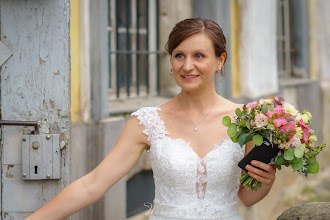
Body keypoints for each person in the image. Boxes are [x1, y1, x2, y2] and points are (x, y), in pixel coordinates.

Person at [26, 18, 276, 220]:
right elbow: (93, 184)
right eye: (179, 55)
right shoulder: (148, 122)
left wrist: (266, 183)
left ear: (220, 61)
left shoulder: (248, 120)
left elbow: (245, 197)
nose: (187, 66)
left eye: (199, 56)